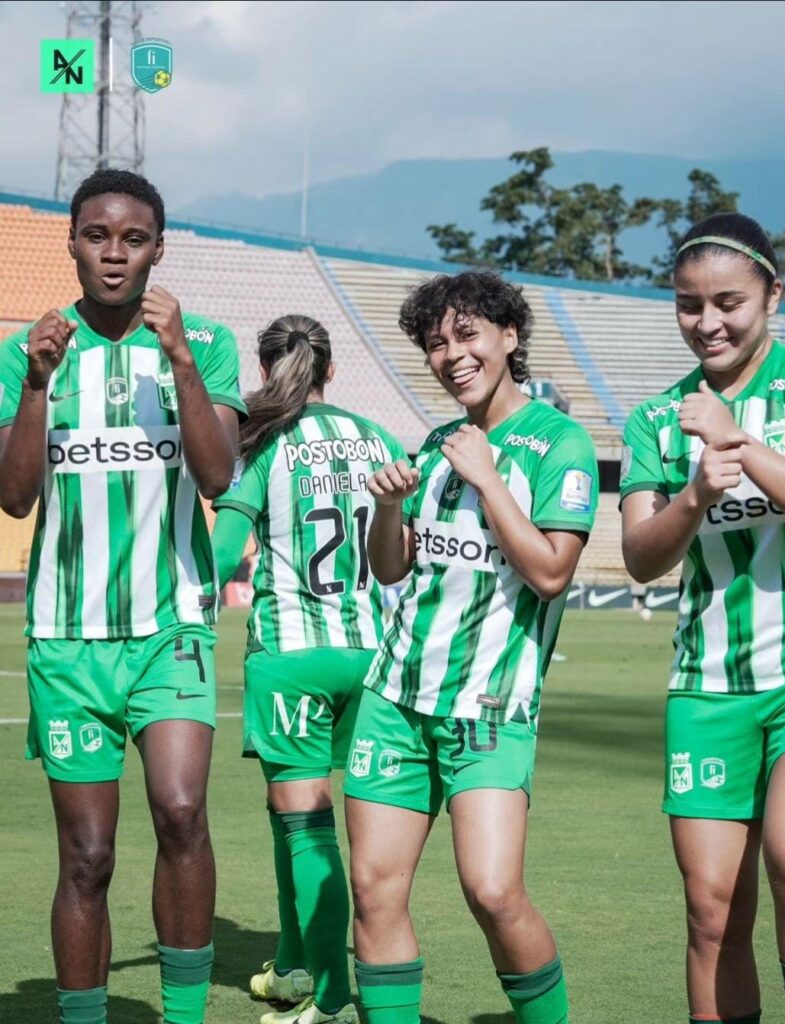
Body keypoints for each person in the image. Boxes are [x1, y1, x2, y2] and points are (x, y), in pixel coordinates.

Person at [0, 169, 245, 1024]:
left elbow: (219, 474)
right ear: (71, 242)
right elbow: (15, 497)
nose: (114, 253)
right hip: (67, 642)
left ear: (158, 249)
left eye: (133, 238)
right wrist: (34, 384)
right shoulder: (26, 349)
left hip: (169, 626)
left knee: (181, 814)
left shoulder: (204, 342)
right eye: (97, 235)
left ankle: (184, 1018)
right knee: (87, 857)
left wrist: (178, 358)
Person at [343, 270, 599, 1024]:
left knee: (492, 890)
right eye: (435, 343)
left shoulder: (561, 443)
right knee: (374, 891)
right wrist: (388, 508)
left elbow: (552, 572)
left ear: (509, 336)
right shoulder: (437, 444)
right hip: (396, 699)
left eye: (466, 335)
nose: (450, 354)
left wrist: (489, 480)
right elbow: (390, 566)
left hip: (489, 708)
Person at [620, 212, 785, 1024]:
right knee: (711, 913)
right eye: (687, 304)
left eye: (728, 302)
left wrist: (741, 444)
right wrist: (697, 492)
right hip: (706, 690)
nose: (707, 322)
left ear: (773, 294)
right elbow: (640, 554)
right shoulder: (655, 419)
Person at [211, 314, 407, 1024]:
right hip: (372, 655)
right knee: (301, 819)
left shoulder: (258, 442)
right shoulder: (377, 437)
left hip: (291, 656)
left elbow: (223, 550)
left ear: (267, 370)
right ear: (332, 371)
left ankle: (328, 1000)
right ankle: (296, 965)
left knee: (304, 825)